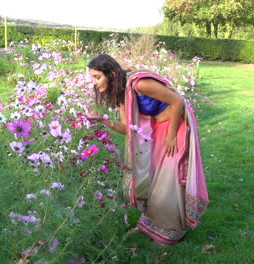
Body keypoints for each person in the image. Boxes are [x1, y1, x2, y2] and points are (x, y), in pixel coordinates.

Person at [86, 54, 209, 246]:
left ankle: (172, 231)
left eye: (97, 77)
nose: (94, 82)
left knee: (169, 179)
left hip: (176, 125)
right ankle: (151, 225)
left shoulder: (139, 84)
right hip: (159, 129)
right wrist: (102, 120)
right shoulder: (121, 95)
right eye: (92, 77)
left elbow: (177, 101)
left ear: (110, 73)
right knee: (154, 178)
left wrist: (170, 135)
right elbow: (127, 129)